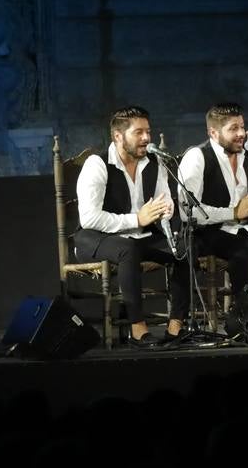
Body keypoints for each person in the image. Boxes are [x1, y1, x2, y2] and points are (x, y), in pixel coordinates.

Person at [74, 105, 190, 347]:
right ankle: (137, 328)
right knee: (128, 249)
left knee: (184, 246)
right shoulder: (97, 164)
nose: (146, 138)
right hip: (95, 237)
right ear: (118, 136)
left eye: (147, 131)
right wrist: (137, 219)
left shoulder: (155, 163)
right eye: (138, 132)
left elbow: (163, 199)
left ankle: (176, 326)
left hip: (140, 235)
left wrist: (165, 209)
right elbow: (89, 218)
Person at [177, 103, 248, 305]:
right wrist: (234, 212)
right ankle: (246, 316)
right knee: (241, 247)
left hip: (245, 228)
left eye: (242, 127)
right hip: (208, 233)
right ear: (213, 132)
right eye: (233, 129)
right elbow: (189, 211)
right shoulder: (197, 157)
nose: (241, 134)